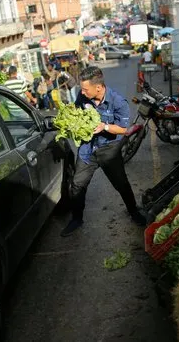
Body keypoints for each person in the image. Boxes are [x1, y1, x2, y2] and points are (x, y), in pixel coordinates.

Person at [61, 66, 146, 236]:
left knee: (121, 183)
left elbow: (123, 129)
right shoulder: (83, 97)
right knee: (77, 184)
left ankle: (133, 211)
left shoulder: (118, 101)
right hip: (88, 149)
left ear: (98, 87)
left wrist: (104, 127)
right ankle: (77, 218)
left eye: (85, 89)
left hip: (109, 149)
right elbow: (78, 114)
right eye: (81, 89)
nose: (82, 92)